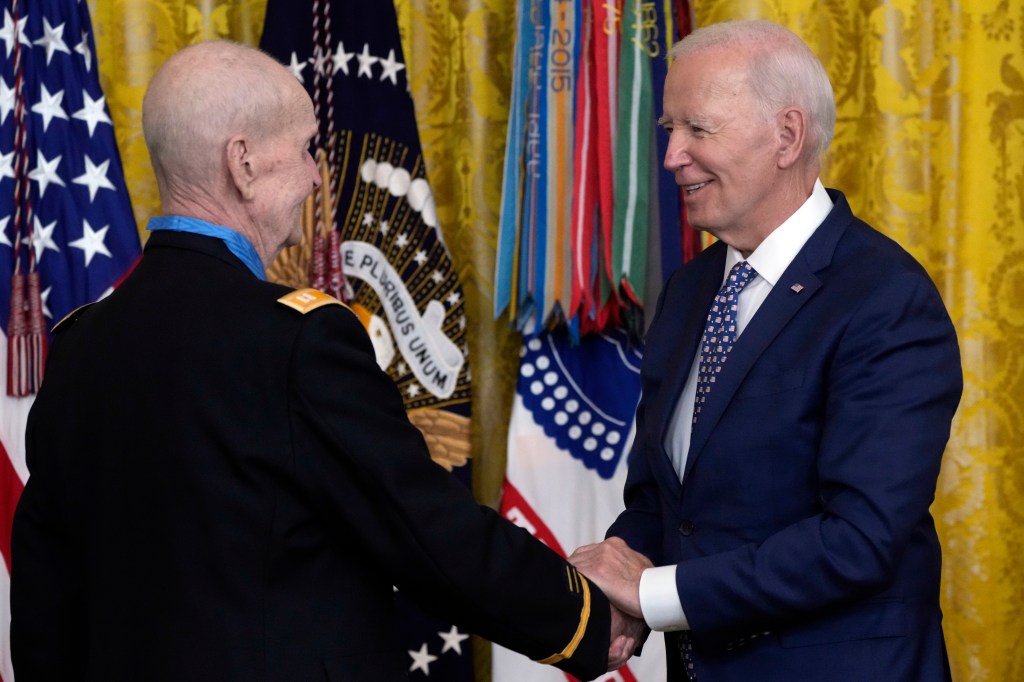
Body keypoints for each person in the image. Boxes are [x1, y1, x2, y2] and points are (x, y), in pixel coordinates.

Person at [10, 41, 642, 681]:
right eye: (309, 147)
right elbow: (424, 529)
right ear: (243, 162)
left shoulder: (81, 344)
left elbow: (44, 587)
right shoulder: (295, 339)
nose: (317, 176)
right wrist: (585, 619)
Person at [569, 19, 962, 681]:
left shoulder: (886, 299)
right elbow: (662, 500)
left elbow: (858, 541)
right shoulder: (692, 289)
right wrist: (612, 585)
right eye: (671, 132)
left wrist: (653, 595)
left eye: (698, 129)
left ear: (786, 136)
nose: (672, 158)